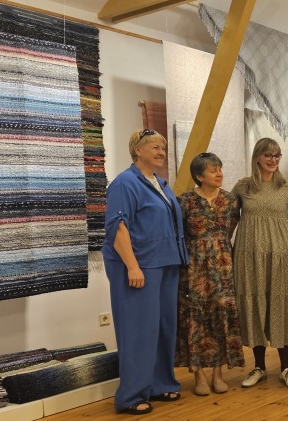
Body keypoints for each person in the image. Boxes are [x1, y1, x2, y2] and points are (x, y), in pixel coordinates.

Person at [103, 129, 189, 415]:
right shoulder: (124, 183)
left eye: (163, 147)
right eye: (155, 147)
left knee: (163, 328)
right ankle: (131, 395)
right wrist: (132, 266)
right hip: (139, 267)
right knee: (139, 330)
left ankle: (160, 383)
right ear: (137, 150)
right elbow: (117, 227)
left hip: (165, 264)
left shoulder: (161, 184)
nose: (161, 152)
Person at [232, 138, 288, 389]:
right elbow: (229, 221)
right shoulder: (243, 187)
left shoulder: (287, 188)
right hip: (249, 255)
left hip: (282, 256)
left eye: (277, 155)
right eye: (268, 155)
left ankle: (286, 367)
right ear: (257, 157)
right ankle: (259, 367)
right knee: (254, 305)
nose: (273, 160)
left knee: (281, 305)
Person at [176, 152, 245, 396]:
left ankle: (218, 373)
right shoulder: (184, 201)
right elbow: (179, 234)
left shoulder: (230, 200)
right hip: (194, 267)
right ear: (199, 176)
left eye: (220, 169)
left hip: (222, 265)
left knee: (221, 315)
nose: (219, 174)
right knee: (196, 318)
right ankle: (199, 375)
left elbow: (231, 229)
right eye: (213, 170)